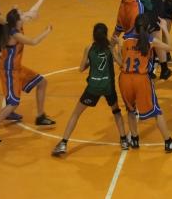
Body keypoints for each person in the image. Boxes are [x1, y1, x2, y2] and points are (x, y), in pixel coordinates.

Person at [0, 0, 55, 144]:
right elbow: (33, 42)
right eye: (22, 14)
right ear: (18, 20)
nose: (26, 14)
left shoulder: (16, 24)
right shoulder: (14, 34)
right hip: (8, 70)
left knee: (42, 82)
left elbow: (32, 11)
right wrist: (47, 31)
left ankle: (40, 116)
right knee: (13, 103)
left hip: (17, 67)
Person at [52, 23, 129, 156]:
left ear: (93, 35)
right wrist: (119, 46)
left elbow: (81, 68)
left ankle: (63, 143)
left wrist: (91, 62)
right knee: (116, 112)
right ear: (106, 34)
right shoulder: (110, 48)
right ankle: (123, 140)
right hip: (107, 87)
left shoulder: (89, 48)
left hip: (93, 87)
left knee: (76, 114)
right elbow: (121, 64)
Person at [118, 14, 172, 153]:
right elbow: (170, 47)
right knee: (157, 111)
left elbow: (121, 61)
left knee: (130, 110)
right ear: (148, 27)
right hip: (141, 79)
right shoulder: (151, 40)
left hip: (124, 79)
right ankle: (168, 142)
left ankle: (134, 139)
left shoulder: (125, 40)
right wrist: (164, 28)